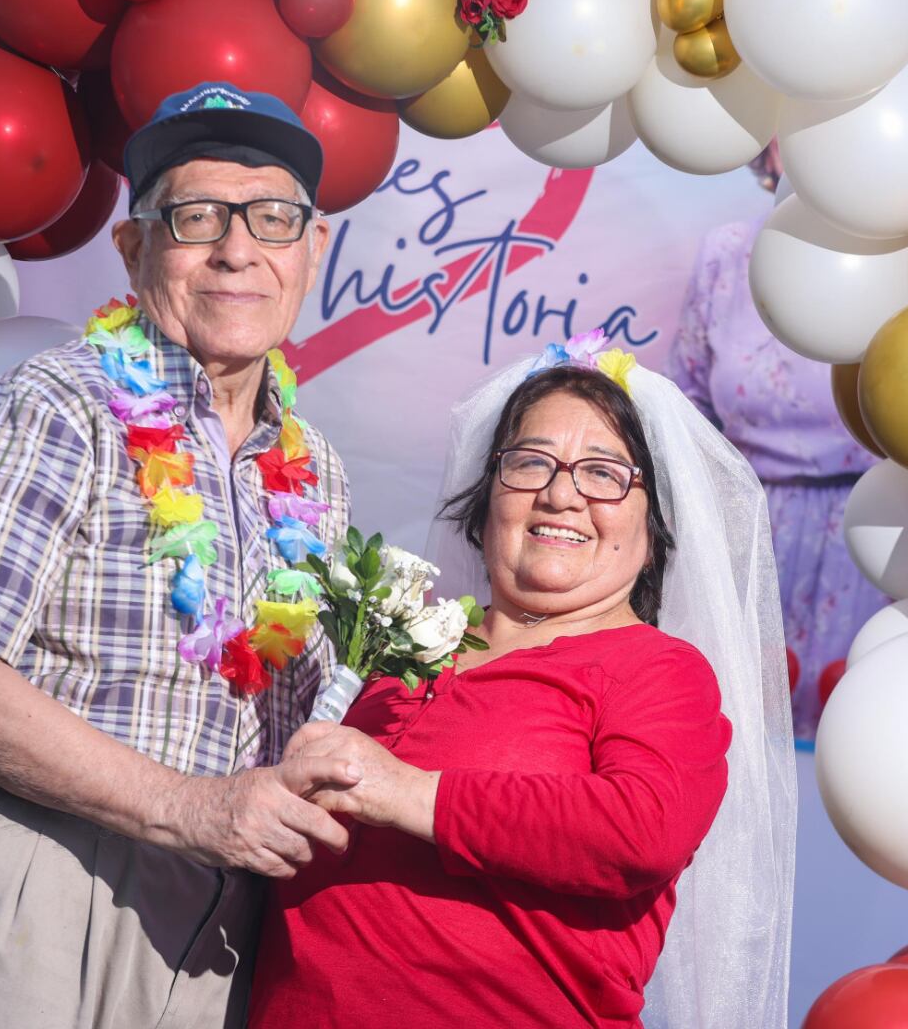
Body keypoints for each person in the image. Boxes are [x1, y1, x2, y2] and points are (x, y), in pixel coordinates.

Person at [0, 82, 355, 1029]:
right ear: (133, 247)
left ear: (313, 248)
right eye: (197, 217)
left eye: (273, 218)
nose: (237, 249)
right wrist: (192, 809)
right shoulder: (56, 399)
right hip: (28, 873)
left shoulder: (314, 471)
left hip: (215, 929)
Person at [248, 348, 797, 1027]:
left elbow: (645, 828)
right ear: (486, 500)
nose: (561, 494)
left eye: (604, 473)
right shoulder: (395, 650)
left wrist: (408, 793)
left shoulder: (659, 669)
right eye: (532, 462)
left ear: (654, 529)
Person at [670, 150, 889, 738]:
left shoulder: (901, 257)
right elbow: (688, 404)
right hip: (747, 521)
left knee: (856, 726)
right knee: (729, 725)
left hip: (871, 526)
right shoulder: (726, 252)